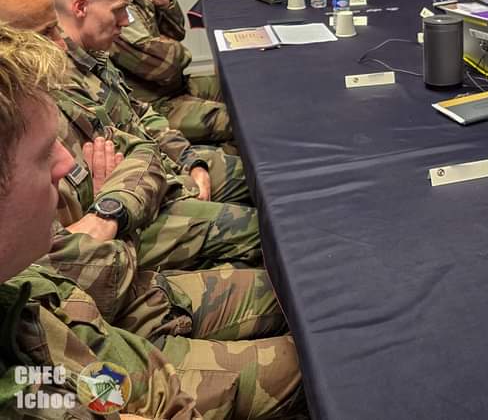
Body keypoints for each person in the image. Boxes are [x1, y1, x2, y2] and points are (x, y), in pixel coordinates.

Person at [0, 25, 303, 419]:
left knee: (300, 289)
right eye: (43, 156)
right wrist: (117, 215)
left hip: (146, 308)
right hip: (143, 303)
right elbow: (102, 277)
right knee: (316, 358)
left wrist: (103, 215)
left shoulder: (21, 290)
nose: (67, 164)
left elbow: (141, 144)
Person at [8, 0, 260, 272]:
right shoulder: (49, 88)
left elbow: (141, 115)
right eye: (47, 32)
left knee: (260, 175)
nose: (126, 22)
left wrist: (190, 160)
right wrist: (176, 181)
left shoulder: (93, 54)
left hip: (154, 184)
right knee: (262, 234)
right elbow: (121, 169)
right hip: (140, 213)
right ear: (81, 7)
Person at [74, 0, 233, 147]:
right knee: (241, 119)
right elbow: (164, 64)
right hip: (153, 106)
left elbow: (178, 31)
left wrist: (165, 2)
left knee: (238, 87)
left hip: (174, 87)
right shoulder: (103, 5)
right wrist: (173, 49)